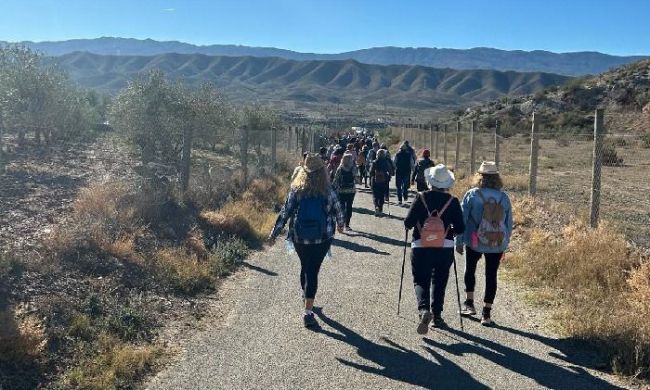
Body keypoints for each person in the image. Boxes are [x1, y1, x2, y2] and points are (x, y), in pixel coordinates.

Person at [269, 155, 345, 328]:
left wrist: (274, 234)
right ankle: (308, 313)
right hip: (322, 238)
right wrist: (341, 225)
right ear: (322, 171)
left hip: (299, 237)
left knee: (305, 266)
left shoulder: (296, 190)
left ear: (304, 171)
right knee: (313, 271)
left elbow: (285, 212)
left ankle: (306, 295)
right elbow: (338, 209)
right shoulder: (328, 189)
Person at [404, 164, 465, 334]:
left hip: (420, 245)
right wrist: (448, 228)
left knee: (420, 280)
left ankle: (424, 310)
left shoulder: (420, 197)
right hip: (444, 247)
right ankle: (437, 316)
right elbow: (461, 228)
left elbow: (408, 223)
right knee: (440, 280)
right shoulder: (452, 201)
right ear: (447, 184)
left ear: (430, 181)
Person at [456, 161, 513, 326]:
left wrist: (458, 240)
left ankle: (469, 303)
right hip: (496, 241)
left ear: (479, 176)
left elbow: (462, 219)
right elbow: (508, 224)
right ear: (497, 178)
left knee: (470, 269)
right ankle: (486, 314)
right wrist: (504, 242)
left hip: (474, 239)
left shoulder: (472, 194)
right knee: (491, 275)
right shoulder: (503, 197)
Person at [333, 154, 358, 231]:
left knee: (342, 207)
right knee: (349, 206)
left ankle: (341, 222)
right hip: (351, 190)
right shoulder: (353, 168)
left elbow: (335, 180)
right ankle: (347, 224)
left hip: (341, 190)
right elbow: (357, 179)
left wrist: (333, 188)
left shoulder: (340, 168)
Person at [369, 149, 392, 216]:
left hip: (375, 180)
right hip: (384, 180)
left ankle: (376, 206)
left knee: (375, 195)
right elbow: (390, 171)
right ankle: (380, 209)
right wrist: (389, 177)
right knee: (382, 195)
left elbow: (371, 172)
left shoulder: (374, 162)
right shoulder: (386, 162)